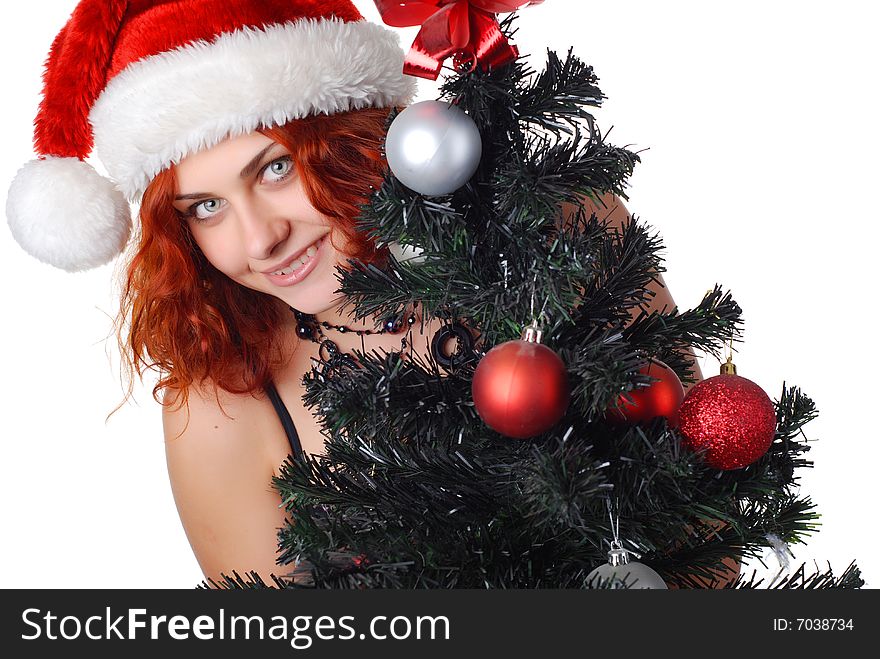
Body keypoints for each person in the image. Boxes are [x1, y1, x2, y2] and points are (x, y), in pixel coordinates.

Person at [6, 0, 720, 586]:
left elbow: (710, 535)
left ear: (352, 137)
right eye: (207, 208)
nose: (260, 240)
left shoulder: (560, 224)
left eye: (277, 167)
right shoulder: (220, 398)